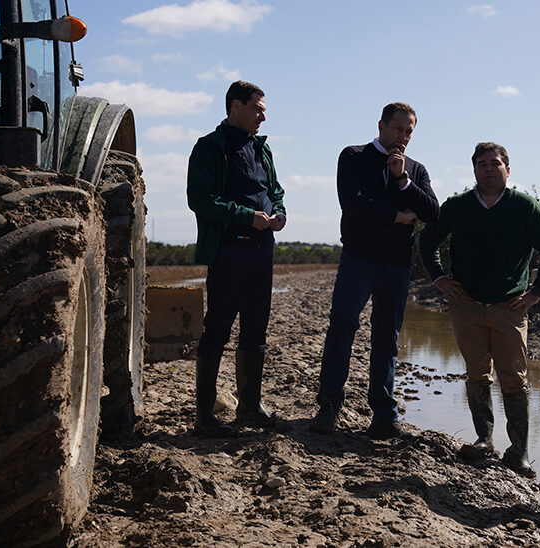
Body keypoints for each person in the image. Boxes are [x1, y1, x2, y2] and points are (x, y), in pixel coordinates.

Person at [418, 142, 540, 478]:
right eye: (481, 164)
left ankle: (520, 452)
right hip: (466, 305)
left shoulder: (524, 206)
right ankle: (484, 439)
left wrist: (537, 291)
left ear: (507, 170)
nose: (488, 169)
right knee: (476, 373)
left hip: (509, 307)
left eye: (495, 163)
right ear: (474, 171)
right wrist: (439, 278)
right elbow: (427, 240)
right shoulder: (457, 206)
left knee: (514, 378)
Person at [310, 102, 440, 439]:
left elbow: (431, 212)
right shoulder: (353, 156)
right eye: (398, 129)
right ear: (382, 126)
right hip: (358, 259)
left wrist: (402, 179)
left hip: (397, 265)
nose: (403, 136)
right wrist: (396, 216)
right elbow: (352, 203)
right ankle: (329, 406)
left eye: (409, 131)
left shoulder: (415, 170)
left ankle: (383, 415)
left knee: (387, 338)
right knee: (342, 325)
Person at [186, 80, 286, 437]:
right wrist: (248, 216)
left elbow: (274, 191)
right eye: (257, 108)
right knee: (217, 330)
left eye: (263, 110)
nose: (263, 116)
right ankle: (205, 416)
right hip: (229, 250)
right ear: (235, 106)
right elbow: (200, 198)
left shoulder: (262, 148)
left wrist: (279, 213)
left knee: (256, 330)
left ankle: (249, 407)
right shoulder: (210, 147)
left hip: (262, 251)